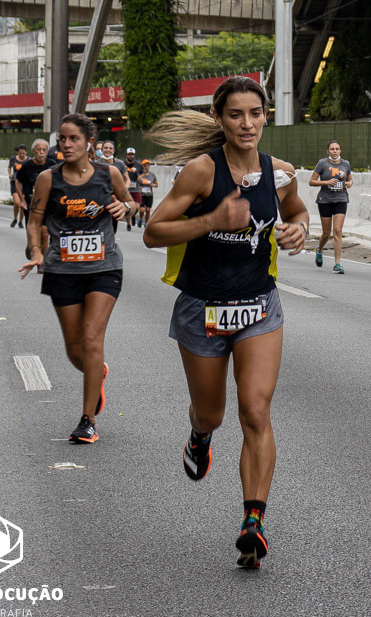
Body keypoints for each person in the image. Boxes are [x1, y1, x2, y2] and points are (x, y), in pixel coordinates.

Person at [143, 76, 309, 569]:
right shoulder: (201, 172)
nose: (247, 124)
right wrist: (211, 221)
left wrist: (298, 230)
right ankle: (200, 435)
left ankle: (253, 522)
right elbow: (153, 232)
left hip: (259, 305)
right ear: (219, 118)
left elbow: (297, 212)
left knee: (255, 411)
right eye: (235, 114)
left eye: (255, 114)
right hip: (202, 308)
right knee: (211, 413)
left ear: (265, 116)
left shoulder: (280, 173)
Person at [18, 113, 132, 444]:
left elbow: (129, 202)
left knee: (92, 339)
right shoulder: (48, 179)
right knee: (74, 349)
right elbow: (34, 220)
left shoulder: (109, 174)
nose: (66, 145)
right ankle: (98, 372)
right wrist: (36, 251)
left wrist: (126, 208)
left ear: (89, 143)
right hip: (62, 269)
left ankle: (88, 421)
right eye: (62, 139)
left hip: (104, 268)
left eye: (73, 139)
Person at [309, 140, 352, 274]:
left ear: (340, 151)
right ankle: (319, 250)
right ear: (328, 151)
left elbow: (350, 179)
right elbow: (311, 181)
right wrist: (327, 182)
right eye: (332, 149)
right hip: (325, 200)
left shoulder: (345, 164)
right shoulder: (322, 163)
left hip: (341, 199)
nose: (334, 151)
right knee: (326, 233)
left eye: (337, 149)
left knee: (338, 230)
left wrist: (349, 183)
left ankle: (337, 264)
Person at [16, 139, 58, 228]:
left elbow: (57, 181)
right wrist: (22, 200)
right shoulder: (27, 165)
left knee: (45, 230)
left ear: (47, 151)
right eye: (39, 149)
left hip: (47, 201)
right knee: (32, 228)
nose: (41, 152)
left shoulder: (52, 164)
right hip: (31, 201)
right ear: (33, 151)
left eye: (44, 150)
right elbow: (18, 181)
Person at [124, 148, 145, 231]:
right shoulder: (123, 164)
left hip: (136, 188)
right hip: (127, 189)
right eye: (129, 154)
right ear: (126, 155)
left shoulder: (138, 164)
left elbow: (144, 172)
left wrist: (140, 176)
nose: (131, 156)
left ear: (134, 155)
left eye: (132, 154)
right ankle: (128, 224)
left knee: (137, 207)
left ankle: (133, 215)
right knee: (128, 208)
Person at [9, 145, 29, 228]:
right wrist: (9, 174)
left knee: (23, 203)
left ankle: (20, 221)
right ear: (18, 152)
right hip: (14, 182)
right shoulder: (13, 159)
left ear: (26, 152)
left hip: (24, 184)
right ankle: (15, 218)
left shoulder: (29, 160)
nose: (22, 155)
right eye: (20, 153)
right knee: (17, 202)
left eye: (23, 153)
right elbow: (9, 167)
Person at [136, 161, 157, 226]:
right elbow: (136, 181)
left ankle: (146, 222)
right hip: (141, 194)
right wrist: (142, 175)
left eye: (147, 165)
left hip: (149, 195)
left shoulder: (152, 175)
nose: (146, 167)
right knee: (142, 210)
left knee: (148, 210)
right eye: (144, 165)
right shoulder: (140, 175)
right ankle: (140, 219)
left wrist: (153, 185)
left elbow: (156, 184)